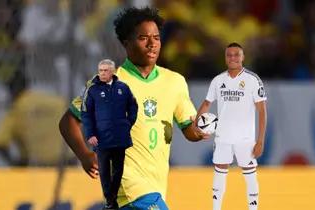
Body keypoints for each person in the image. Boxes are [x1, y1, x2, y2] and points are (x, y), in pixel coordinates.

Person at [59, 7, 208, 210]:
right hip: (127, 185)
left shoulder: (174, 82)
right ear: (126, 43)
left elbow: (189, 130)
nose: (152, 43)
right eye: (143, 38)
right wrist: (85, 156)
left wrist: (200, 129)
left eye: (156, 37)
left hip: (153, 186)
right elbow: (68, 121)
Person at [196, 42, 267, 210]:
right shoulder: (218, 80)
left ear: (243, 57)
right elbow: (207, 103)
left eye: (236, 54)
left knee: (249, 174)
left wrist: (260, 140)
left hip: (245, 138)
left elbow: (262, 111)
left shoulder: (252, 80)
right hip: (223, 137)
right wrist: (196, 125)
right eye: (229, 55)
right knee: (219, 171)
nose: (233, 58)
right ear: (225, 58)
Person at [81, 59, 138, 209]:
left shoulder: (123, 88)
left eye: (105, 70)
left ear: (112, 72)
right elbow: (86, 113)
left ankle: (111, 199)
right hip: (101, 138)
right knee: (105, 171)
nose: (102, 73)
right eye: (100, 70)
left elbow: (133, 105)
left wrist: (128, 123)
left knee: (118, 170)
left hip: (120, 137)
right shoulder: (92, 90)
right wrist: (90, 134)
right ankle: (110, 201)